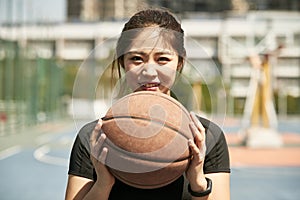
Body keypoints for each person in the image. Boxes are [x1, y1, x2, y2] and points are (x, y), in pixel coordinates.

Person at [65, 9, 230, 200]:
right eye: (136, 59)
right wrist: (104, 183)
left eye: (163, 59)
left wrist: (198, 182)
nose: (150, 71)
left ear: (179, 63)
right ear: (122, 63)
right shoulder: (93, 138)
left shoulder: (207, 137)